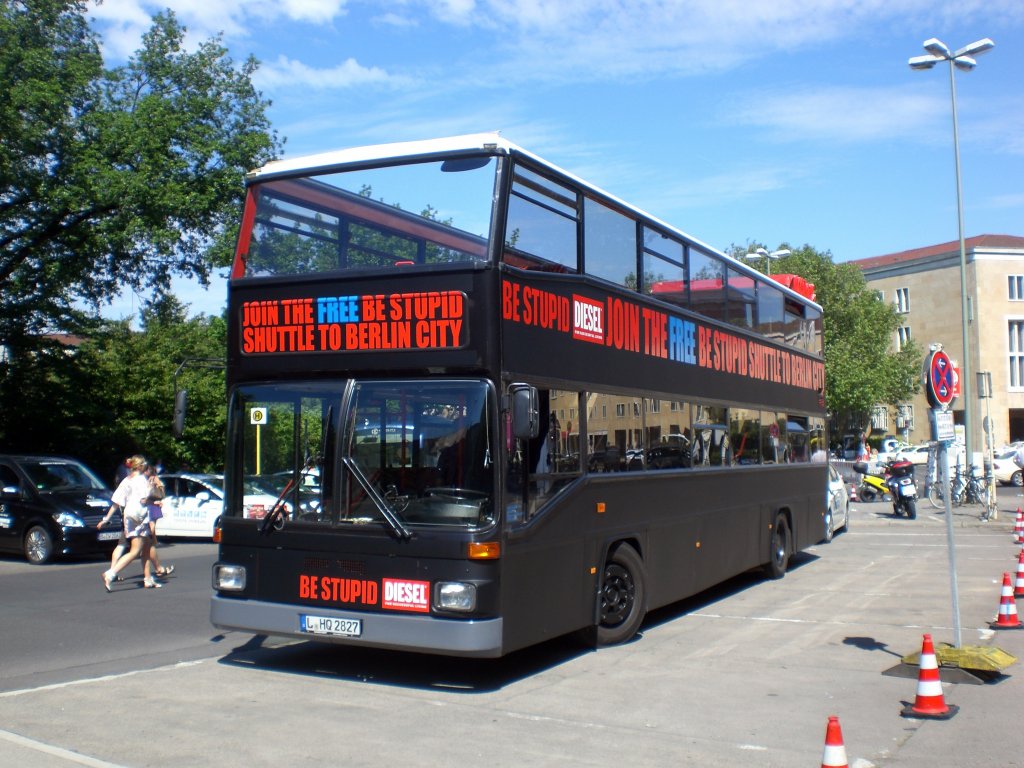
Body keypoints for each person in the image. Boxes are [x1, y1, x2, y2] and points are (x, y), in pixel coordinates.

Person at [98, 456, 159, 590]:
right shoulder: (142, 480)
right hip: (139, 514)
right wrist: (152, 490)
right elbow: (144, 499)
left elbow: (116, 501)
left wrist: (106, 519)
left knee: (146, 546)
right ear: (141, 466)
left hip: (128, 514)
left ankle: (148, 578)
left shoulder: (126, 480)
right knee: (136, 551)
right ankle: (110, 573)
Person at [143, 466, 174, 579]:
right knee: (151, 526)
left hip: (151, 505)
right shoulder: (151, 480)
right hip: (151, 506)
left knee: (152, 525)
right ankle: (153, 540)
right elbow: (160, 492)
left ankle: (153, 541)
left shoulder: (144, 480)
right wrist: (159, 484)